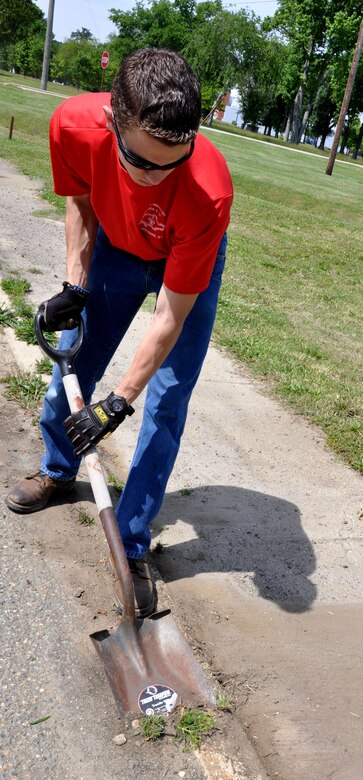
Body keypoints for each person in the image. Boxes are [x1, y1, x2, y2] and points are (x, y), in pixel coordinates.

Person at [5, 48, 233, 617]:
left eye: (172, 163)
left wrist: (117, 402)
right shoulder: (73, 127)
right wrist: (75, 286)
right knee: (73, 363)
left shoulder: (207, 191)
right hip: (116, 247)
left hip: (183, 256)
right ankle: (57, 471)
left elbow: (170, 316)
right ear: (112, 121)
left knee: (166, 400)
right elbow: (81, 202)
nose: (158, 177)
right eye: (144, 162)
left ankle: (131, 541)